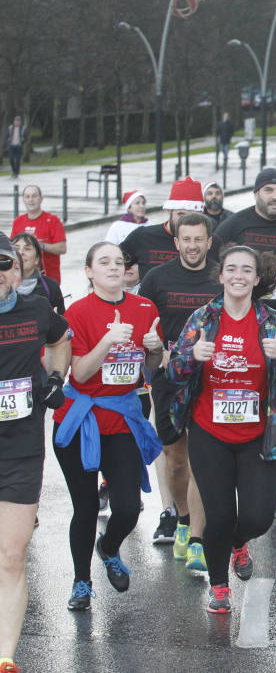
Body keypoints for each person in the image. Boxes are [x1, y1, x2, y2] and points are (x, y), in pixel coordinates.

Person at [167, 245, 276, 614]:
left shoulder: (272, 323)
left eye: (247, 270)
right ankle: (220, 586)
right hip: (210, 431)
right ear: (222, 275)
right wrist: (191, 358)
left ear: (258, 279)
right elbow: (173, 371)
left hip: (260, 434)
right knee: (219, 514)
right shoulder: (203, 318)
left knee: (258, 516)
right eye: (232, 269)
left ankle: (239, 543)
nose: (238, 276)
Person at [53, 242, 164, 610]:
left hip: (122, 418)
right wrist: (107, 340)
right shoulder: (78, 312)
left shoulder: (145, 308)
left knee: (129, 508)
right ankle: (81, 582)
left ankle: (109, 547)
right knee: (85, 509)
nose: (114, 267)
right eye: (104, 262)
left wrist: (154, 349)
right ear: (89, 272)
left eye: (119, 261)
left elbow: (149, 370)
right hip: (80, 419)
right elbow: (81, 373)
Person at [0, 232, 69, 673]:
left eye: (4, 264)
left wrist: (57, 380)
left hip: (21, 449)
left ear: (17, 269)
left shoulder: (36, 309)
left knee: (11, 554)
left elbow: (60, 340)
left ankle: (4, 656)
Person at [138, 212, 223, 568]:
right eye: (185, 239)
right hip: (170, 377)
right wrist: (155, 348)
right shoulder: (157, 279)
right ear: (176, 243)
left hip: (212, 378)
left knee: (202, 459)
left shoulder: (221, 277)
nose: (192, 245)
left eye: (198, 239)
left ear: (209, 241)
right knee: (176, 462)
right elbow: (144, 324)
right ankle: (184, 520)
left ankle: (198, 539)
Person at [215, 169, 276, 312]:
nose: (275, 196)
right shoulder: (234, 225)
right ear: (256, 193)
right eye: (268, 190)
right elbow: (212, 266)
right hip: (241, 312)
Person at [121, 177, 208, 280]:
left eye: (193, 216)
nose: (186, 222)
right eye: (181, 214)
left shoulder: (210, 243)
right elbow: (112, 264)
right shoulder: (143, 237)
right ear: (169, 210)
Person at [11, 185, 67, 284]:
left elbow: (62, 248)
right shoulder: (18, 222)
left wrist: (39, 245)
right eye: (27, 197)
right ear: (23, 200)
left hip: (49, 279)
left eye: (34, 196)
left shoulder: (53, 220)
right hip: (22, 280)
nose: (31, 200)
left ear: (41, 199)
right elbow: (12, 249)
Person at [12, 233, 64, 313]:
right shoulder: (3, 286)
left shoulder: (50, 286)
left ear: (37, 259)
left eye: (27, 249)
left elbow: (62, 321)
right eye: (16, 249)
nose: (21, 253)